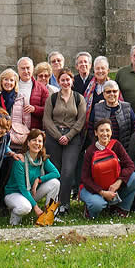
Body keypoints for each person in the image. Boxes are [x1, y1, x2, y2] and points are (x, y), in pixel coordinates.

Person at [42, 68, 86, 211]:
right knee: (56, 171)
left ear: (72, 81)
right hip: (54, 136)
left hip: (72, 137)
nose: (65, 82)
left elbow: (81, 120)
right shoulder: (52, 98)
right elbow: (47, 119)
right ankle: (53, 204)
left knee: (68, 171)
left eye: (68, 79)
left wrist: (68, 136)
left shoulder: (79, 98)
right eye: (62, 80)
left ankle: (64, 204)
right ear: (58, 81)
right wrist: (57, 135)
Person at [78, 118, 135, 218]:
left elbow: (130, 165)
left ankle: (120, 209)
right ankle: (90, 211)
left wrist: (119, 182)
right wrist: (102, 192)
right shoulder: (90, 151)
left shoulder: (116, 145)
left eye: (107, 130)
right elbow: (85, 178)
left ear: (111, 132)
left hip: (113, 185)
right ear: (96, 133)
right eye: (101, 130)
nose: (105, 133)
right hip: (94, 189)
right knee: (97, 205)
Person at [4, 129, 61, 225]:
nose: (37, 143)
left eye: (40, 141)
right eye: (34, 140)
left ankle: (49, 216)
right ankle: (14, 219)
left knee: (55, 183)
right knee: (25, 208)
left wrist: (39, 180)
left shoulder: (42, 159)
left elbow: (56, 173)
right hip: (14, 193)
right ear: (28, 143)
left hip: (30, 192)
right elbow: (22, 188)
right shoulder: (20, 161)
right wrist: (36, 208)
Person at [91, 81, 135, 147]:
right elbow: (91, 129)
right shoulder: (97, 108)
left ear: (118, 93)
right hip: (102, 150)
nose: (112, 94)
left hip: (125, 149)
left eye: (114, 91)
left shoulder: (127, 107)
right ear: (104, 94)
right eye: (108, 92)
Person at [15, 57, 48, 132]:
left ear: (33, 68)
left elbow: (48, 110)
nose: (26, 71)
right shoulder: (12, 86)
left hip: (34, 131)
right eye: (23, 68)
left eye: (28, 68)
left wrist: (35, 109)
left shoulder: (42, 89)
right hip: (15, 130)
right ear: (18, 69)